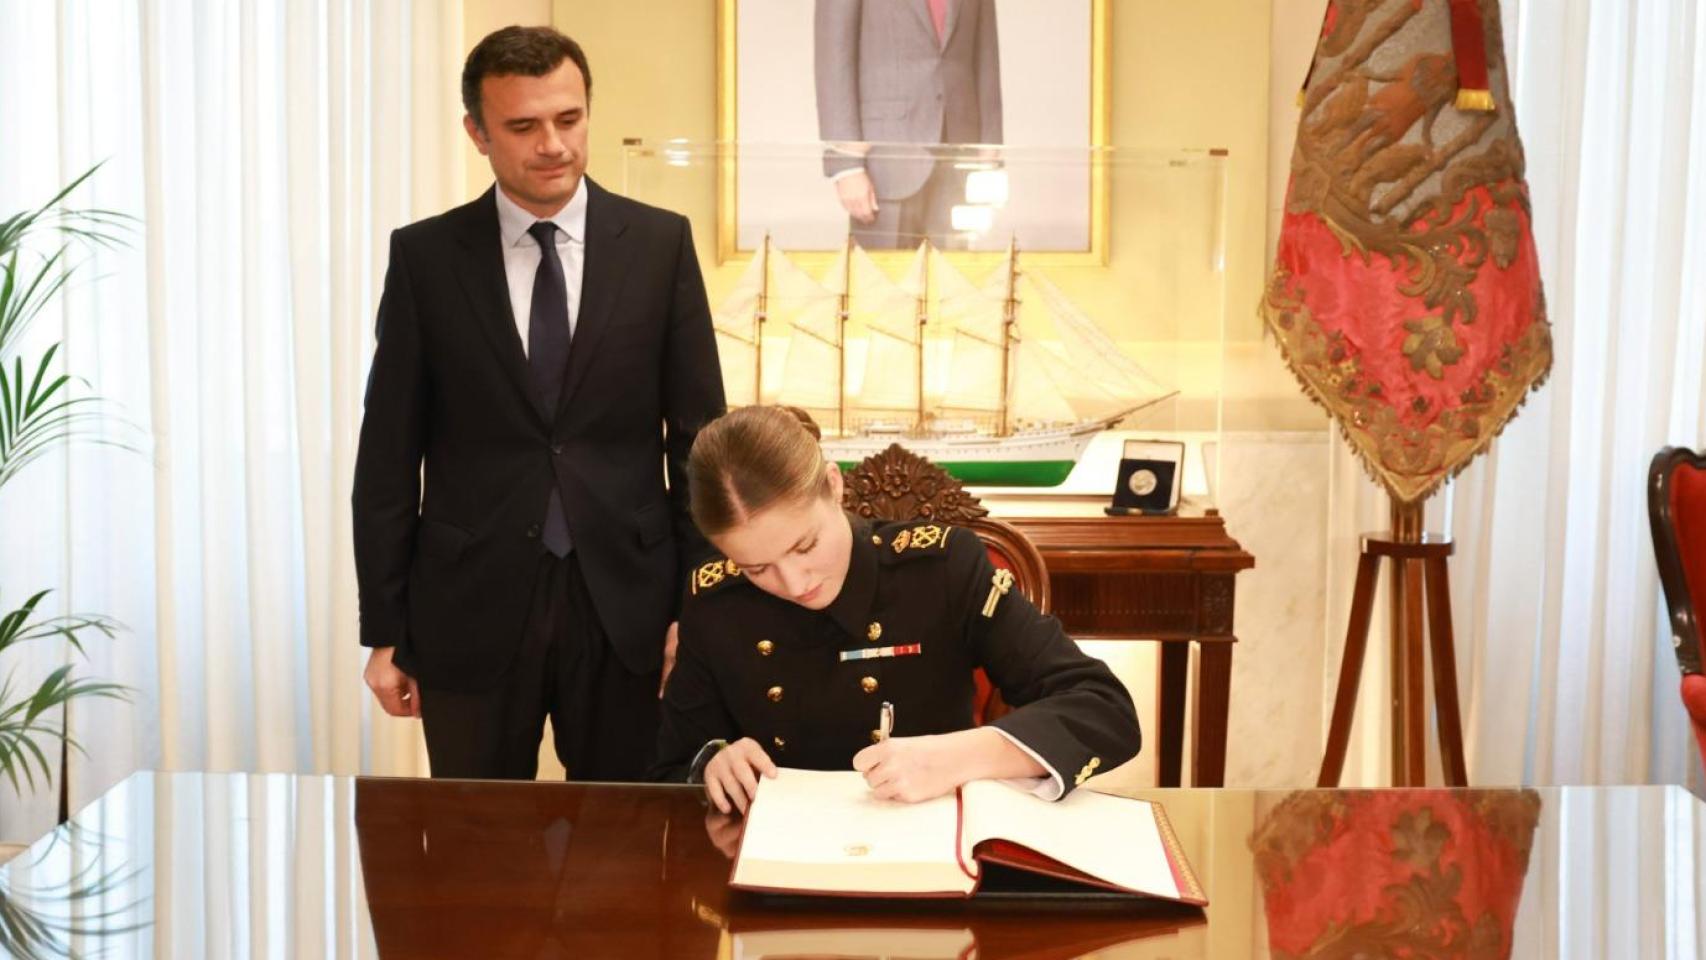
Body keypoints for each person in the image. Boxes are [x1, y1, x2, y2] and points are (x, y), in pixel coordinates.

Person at [352, 26, 725, 781]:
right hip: (469, 605)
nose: (552, 144)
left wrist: (701, 604)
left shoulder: (660, 246)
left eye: (569, 118)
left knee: (626, 852)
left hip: (630, 604)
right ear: (478, 134)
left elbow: (699, 447)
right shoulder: (425, 258)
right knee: (475, 850)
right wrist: (385, 629)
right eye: (523, 126)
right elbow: (388, 457)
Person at [652, 406, 1139, 813]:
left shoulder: (942, 569)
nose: (795, 583)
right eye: (758, 568)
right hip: (778, 864)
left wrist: (962, 756)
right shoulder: (715, 602)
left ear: (833, 486)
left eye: (805, 546)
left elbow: (1104, 710)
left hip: (935, 851)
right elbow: (670, 768)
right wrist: (712, 763)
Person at [814, 0, 1003, 249]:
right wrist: (846, 165)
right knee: (884, 283)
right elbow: (833, 53)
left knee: (951, 282)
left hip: (958, 158)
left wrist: (990, 149)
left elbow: (985, 50)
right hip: (884, 161)